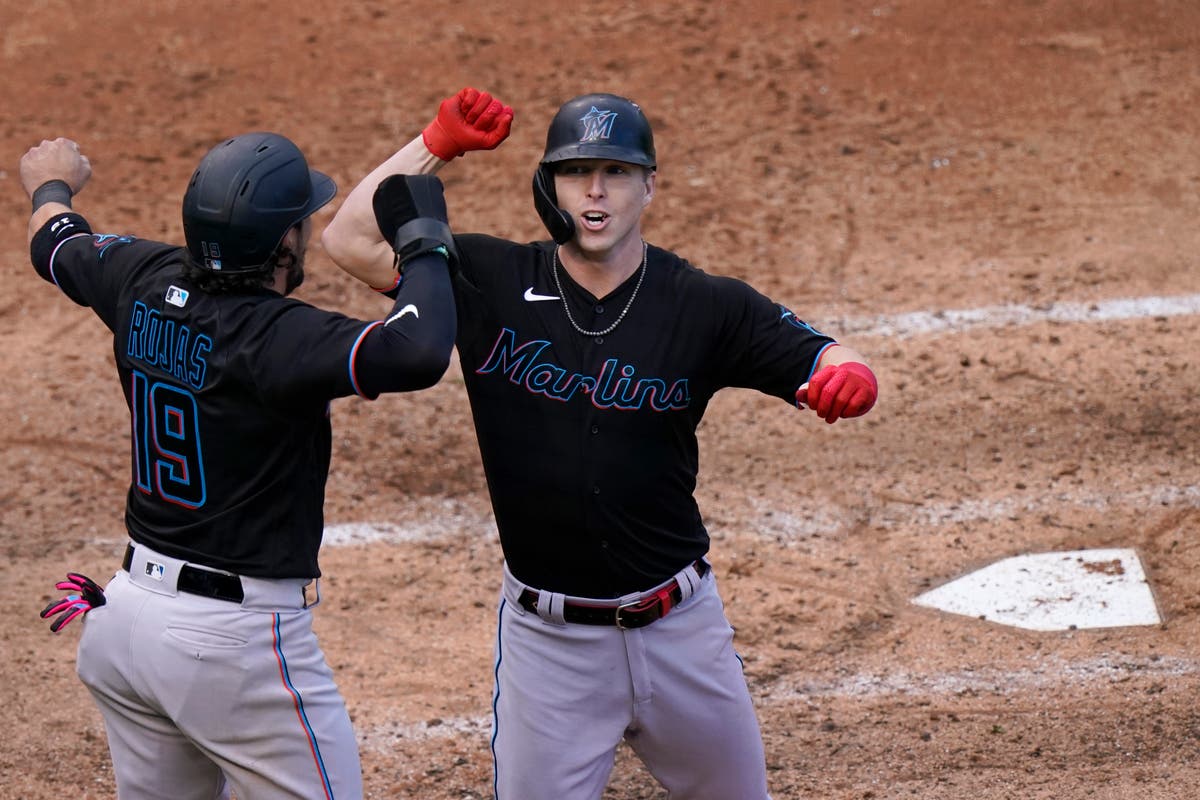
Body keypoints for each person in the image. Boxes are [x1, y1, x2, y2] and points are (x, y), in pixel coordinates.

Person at [321, 88, 879, 800]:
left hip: (681, 636)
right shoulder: (486, 281)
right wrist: (438, 141)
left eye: (616, 171)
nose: (595, 189)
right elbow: (350, 242)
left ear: (648, 184)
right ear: (547, 186)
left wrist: (847, 375)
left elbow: (820, 354)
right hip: (550, 650)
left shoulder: (702, 304)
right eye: (575, 170)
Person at [23, 133, 461, 799]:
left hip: (125, 624)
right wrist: (424, 238)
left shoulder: (140, 279)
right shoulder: (275, 336)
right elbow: (418, 350)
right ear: (285, 246)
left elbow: (55, 245)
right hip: (229, 648)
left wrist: (51, 183)